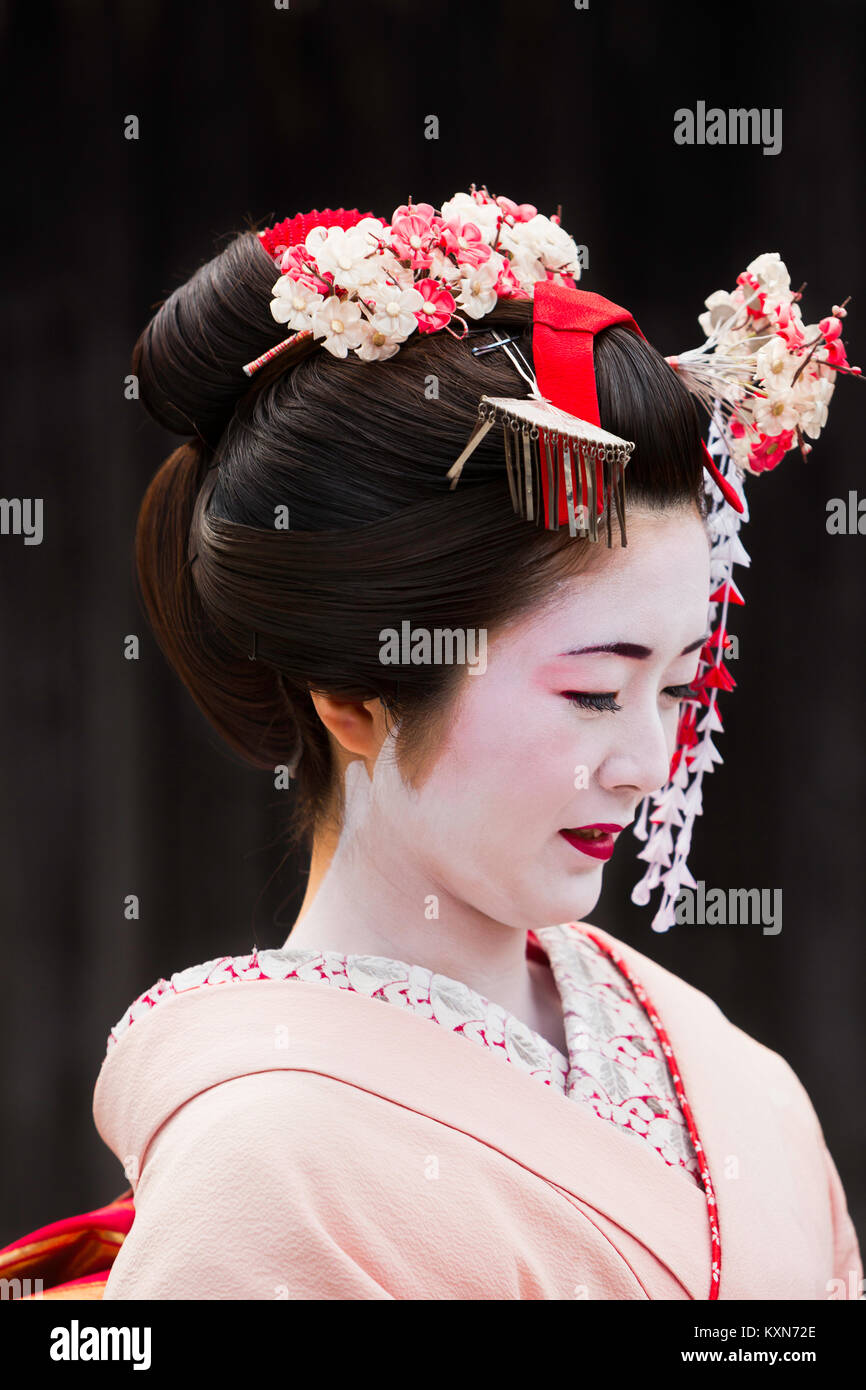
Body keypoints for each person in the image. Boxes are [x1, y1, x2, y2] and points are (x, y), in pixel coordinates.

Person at [2, 190, 860, 1301]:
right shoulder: (264, 1162)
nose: (649, 762)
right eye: (595, 691)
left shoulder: (724, 1072)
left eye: (678, 684)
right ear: (354, 697)